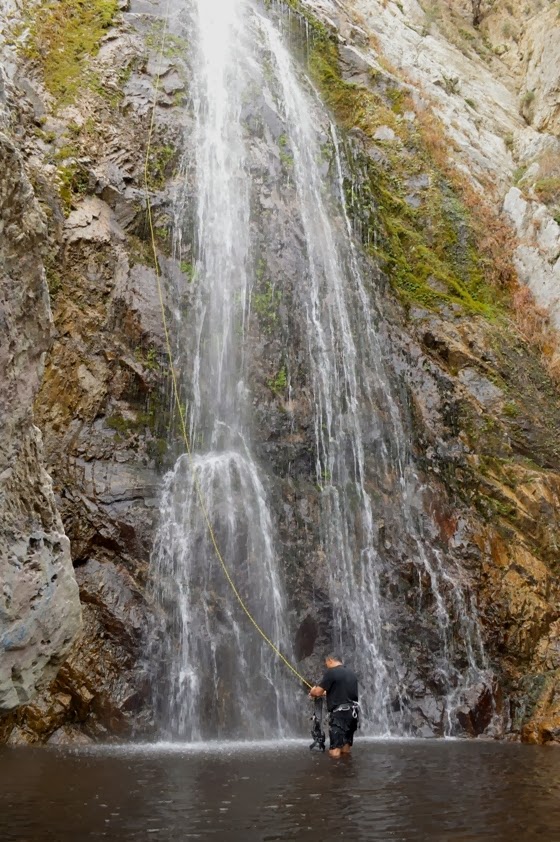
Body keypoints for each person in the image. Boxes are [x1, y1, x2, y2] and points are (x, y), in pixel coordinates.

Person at [309, 654, 359, 758]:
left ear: (330, 660)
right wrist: (325, 693)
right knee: (345, 749)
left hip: (340, 715)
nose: (326, 666)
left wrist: (313, 691)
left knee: (334, 751)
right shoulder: (351, 673)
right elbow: (342, 692)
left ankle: (336, 768)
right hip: (353, 713)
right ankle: (346, 767)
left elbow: (317, 692)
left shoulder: (332, 672)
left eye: (326, 663)